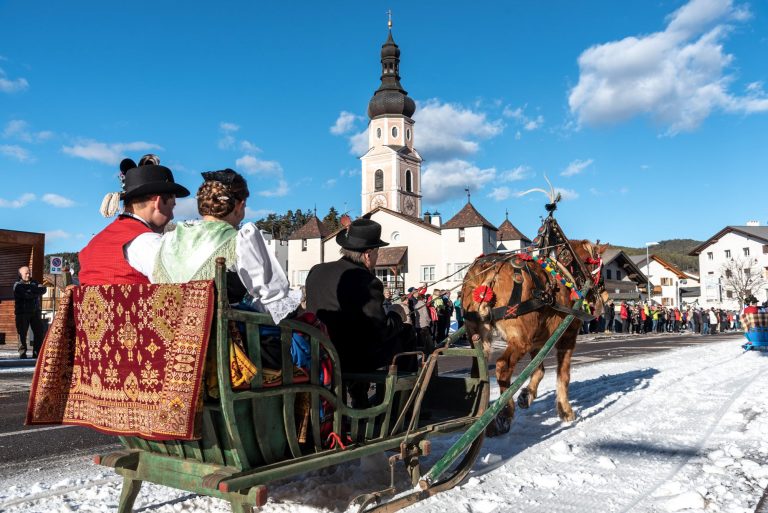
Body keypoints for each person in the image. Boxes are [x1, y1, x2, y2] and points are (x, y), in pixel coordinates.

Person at [153, 169, 301, 324]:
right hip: (223, 342)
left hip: (175, 338)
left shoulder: (170, 239)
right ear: (240, 205)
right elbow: (275, 299)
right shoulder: (239, 239)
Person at [304, 218, 414, 375]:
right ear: (368, 255)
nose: (377, 258)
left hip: (319, 351)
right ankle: (401, 395)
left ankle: (360, 395)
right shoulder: (368, 280)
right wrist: (397, 314)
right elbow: (379, 331)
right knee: (406, 332)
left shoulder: (316, 271)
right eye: (377, 253)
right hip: (351, 358)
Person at [79, 155, 190, 285]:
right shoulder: (148, 242)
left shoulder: (91, 246)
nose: (171, 216)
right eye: (172, 206)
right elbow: (183, 283)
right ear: (158, 202)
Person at [13, 266, 47, 358]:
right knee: (22, 334)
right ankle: (22, 353)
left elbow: (43, 289)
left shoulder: (35, 282)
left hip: (35, 312)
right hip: (22, 312)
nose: (28, 275)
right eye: (26, 273)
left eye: (29, 273)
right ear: (20, 275)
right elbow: (26, 295)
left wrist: (31, 290)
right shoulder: (17, 285)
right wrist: (35, 292)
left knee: (39, 332)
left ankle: (36, 353)